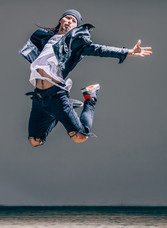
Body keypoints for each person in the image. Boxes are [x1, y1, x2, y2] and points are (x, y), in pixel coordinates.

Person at [19, 9, 152, 147]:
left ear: (76, 27)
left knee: (80, 137)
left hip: (56, 94)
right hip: (39, 96)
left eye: (73, 21)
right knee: (35, 141)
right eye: (68, 18)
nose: (69, 21)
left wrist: (128, 52)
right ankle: (59, 111)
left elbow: (99, 49)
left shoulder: (74, 44)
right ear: (61, 20)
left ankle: (90, 97)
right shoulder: (44, 39)